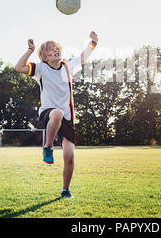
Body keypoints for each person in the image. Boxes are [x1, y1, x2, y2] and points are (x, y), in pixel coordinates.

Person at [14, 31, 99, 198]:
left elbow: (83, 57)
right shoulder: (40, 69)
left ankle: (65, 190)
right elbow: (18, 67)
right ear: (45, 57)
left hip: (67, 118)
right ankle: (48, 146)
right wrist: (30, 50)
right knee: (57, 113)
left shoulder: (68, 67)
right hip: (48, 113)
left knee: (69, 155)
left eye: (58, 48)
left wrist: (93, 43)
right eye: (52, 50)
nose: (56, 51)